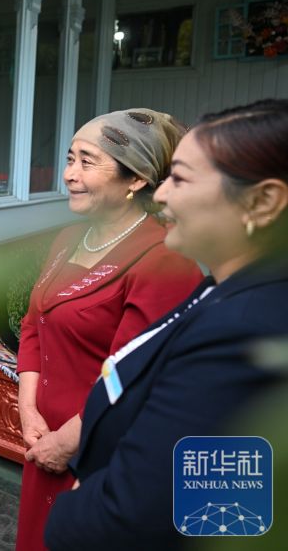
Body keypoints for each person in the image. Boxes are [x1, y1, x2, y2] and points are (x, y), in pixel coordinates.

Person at [45, 99, 288, 550]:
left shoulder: (246, 334)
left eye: (182, 179)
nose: (161, 195)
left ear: (263, 201)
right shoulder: (221, 289)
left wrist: (70, 509)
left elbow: (203, 512)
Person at [14, 108, 203, 551]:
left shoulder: (165, 259)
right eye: (70, 158)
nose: (69, 174)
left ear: (135, 179)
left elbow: (133, 379)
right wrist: (27, 407)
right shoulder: (66, 240)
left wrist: (67, 443)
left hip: (98, 449)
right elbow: (34, 323)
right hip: (43, 436)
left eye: (87, 161)